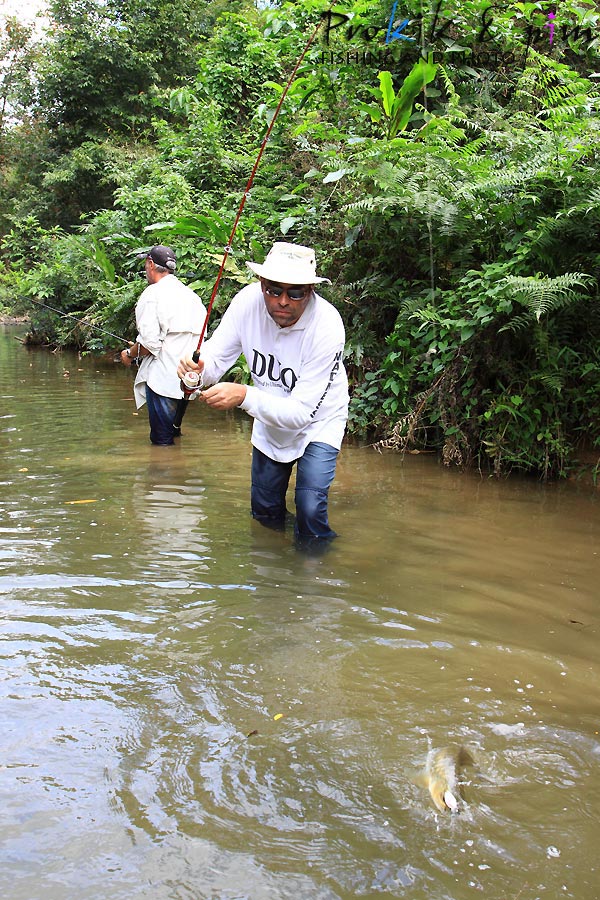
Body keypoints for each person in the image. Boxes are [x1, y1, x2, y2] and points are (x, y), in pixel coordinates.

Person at [177, 241, 349, 543]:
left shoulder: (328, 326)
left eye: (294, 293)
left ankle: (314, 573)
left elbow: (299, 414)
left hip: (318, 421)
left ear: (309, 291)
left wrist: (243, 395)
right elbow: (215, 359)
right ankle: (275, 570)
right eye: (273, 290)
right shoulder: (246, 303)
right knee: (264, 512)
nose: (282, 301)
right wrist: (199, 371)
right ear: (261, 284)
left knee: (309, 509)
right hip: (270, 419)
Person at [120, 245, 206, 445]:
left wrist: (129, 354)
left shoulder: (152, 295)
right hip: (187, 382)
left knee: (161, 443)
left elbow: (149, 344)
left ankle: (164, 474)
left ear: (150, 264)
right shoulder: (192, 297)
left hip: (162, 381)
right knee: (173, 434)